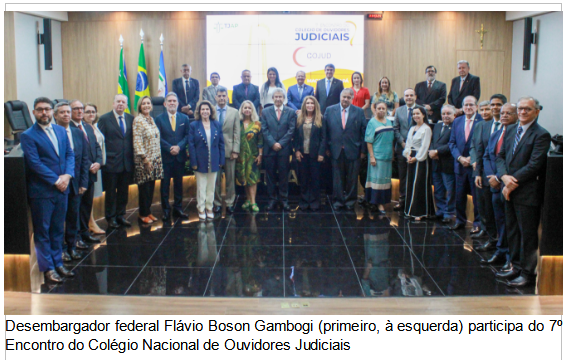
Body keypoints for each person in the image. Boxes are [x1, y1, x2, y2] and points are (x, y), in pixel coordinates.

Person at [495, 97, 550, 287]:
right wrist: (503, 178)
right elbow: (500, 157)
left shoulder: (541, 134)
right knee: (512, 232)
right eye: (520, 109)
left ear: (537, 111)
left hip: (526, 193)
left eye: (527, 109)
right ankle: (515, 267)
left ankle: (528, 274)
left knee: (527, 235)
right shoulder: (510, 130)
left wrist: (511, 182)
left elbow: (534, 165)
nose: (523, 112)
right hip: (508, 190)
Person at [20, 97, 75, 283]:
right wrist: (55, 180)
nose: (44, 113)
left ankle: (58, 263)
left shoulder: (60, 130)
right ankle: (48, 269)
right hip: (42, 192)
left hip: (62, 189)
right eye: (40, 109)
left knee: (58, 229)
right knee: (43, 232)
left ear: (52, 111)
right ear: (34, 113)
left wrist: (67, 176)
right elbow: (34, 163)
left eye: (47, 109)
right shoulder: (28, 135)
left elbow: (69, 154)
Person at [481, 103, 518, 268]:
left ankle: (511, 257)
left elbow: (511, 161)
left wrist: (498, 177)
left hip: (508, 185)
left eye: (508, 113)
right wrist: (491, 177)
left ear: (516, 115)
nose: (503, 116)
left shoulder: (517, 135)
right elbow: (487, 156)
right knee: (499, 220)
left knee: (511, 224)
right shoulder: (496, 134)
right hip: (494, 184)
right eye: (502, 113)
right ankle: (500, 251)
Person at [470, 95, 507, 245]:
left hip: (501, 176)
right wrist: (477, 172)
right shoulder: (483, 125)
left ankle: (497, 240)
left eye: (498, 105)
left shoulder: (508, 127)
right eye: (492, 105)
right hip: (483, 173)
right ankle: (489, 234)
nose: (494, 108)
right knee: (483, 207)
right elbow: (479, 150)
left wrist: (498, 176)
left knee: (496, 211)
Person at [55, 102, 89, 262]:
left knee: (73, 216)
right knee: (59, 220)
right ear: (55, 116)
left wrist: (83, 182)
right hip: (58, 183)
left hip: (76, 183)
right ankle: (61, 250)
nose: (66, 115)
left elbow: (84, 159)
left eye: (68, 112)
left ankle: (72, 246)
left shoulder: (77, 132)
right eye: (62, 112)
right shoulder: (53, 132)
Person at [325, 88, 367, 210]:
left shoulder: (359, 112)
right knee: (337, 178)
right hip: (335, 150)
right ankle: (338, 201)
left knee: (352, 178)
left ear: (352, 98)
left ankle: (350, 201)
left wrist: (363, 151)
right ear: (340, 96)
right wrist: (327, 148)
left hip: (354, 150)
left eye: (349, 97)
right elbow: (325, 132)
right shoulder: (330, 110)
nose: (346, 99)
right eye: (344, 97)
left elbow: (363, 132)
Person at [97, 94, 134, 229]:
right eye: (118, 101)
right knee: (111, 192)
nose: (120, 104)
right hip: (111, 163)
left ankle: (121, 215)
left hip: (127, 162)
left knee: (124, 191)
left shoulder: (131, 118)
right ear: (113, 104)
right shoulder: (105, 119)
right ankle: (111, 218)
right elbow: (100, 142)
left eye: (123, 102)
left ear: (126, 105)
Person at [69, 100, 103, 243]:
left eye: (81, 108)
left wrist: (98, 163)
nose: (79, 111)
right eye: (75, 108)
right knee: (76, 208)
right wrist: (89, 164)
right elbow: (75, 152)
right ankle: (75, 237)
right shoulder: (67, 128)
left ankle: (84, 232)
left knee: (86, 205)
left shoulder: (88, 127)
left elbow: (96, 147)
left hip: (92, 173)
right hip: (79, 174)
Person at [448, 95, 482, 232]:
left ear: (476, 107)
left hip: (476, 167)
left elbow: (484, 145)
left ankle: (478, 223)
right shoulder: (457, 121)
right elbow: (452, 143)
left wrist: (472, 159)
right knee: (459, 195)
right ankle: (460, 220)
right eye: (466, 105)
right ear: (462, 107)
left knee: (477, 198)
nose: (468, 107)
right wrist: (460, 158)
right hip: (460, 165)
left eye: (471, 105)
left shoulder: (482, 121)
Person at [155, 92, 190, 221]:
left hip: (179, 157)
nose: (172, 103)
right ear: (165, 104)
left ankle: (178, 208)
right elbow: (158, 137)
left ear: (178, 103)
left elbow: (187, 136)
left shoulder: (184, 118)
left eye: (174, 101)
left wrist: (179, 147)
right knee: (164, 185)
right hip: (166, 157)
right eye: (169, 101)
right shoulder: (158, 118)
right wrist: (170, 148)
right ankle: (165, 210)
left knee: (179, 184)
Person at [260, 88, 297, 211]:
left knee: (283, 176)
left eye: (280, 97)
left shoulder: (291, 112)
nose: (278, 99)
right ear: (272, 98)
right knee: (270, 176)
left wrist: (280, 144)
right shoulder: (265, 112)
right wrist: (273, 144)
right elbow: (264, 130)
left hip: (284, 150)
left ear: (284, 98)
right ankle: (271, 200)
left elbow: (291, 130)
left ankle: (284, 200)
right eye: (276, 97)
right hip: (269, 150)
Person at [189, 100, 225, 220]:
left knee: (211, 187)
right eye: (202, 109)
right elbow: (191, 145)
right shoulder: (194, 125)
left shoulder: (216, 124)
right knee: (201, 186)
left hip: (214, 160)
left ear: (211, 111)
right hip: (200, 161)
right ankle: (201, 208)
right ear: (199, 111)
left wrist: (221, 160)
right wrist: (193, 162)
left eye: (207, 109)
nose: (205, 111)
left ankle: (209, 207)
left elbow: (221, 144)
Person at [133, 96, 164, 224]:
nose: (146, 105)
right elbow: (137, 141)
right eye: (144, 103)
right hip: (144, 161)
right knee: (144, 188)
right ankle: (142, 213)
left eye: (148, 103)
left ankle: (148, 211)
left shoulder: (151, 119)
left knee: (151, 187)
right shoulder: (138, 120)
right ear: (140, 106)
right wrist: (145, 159)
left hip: (155, 159)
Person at [315, 64, 343, 197]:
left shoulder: (339, 83)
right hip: (320, 116)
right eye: (327, 70)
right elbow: (316, 99)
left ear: (334, 71)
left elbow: (341, 99)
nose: (329, 72)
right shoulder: (319, 83)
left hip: (334, 116)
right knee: (322, 138)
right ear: (324, 71)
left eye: (331, 70)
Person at [294, 96, 326, 211]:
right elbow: (296, 137)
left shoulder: (320, 119)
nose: (310, 105)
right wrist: (296, 150)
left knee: (315, 179)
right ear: (304, 105)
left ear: (315, 105)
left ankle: (314, 201)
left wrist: (321, 153)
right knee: (303, 179)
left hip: (315, 155)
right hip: (302, 154)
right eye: (308, 103)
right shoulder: (299, 119)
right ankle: (304, 201)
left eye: (312, 103)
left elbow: (323, 138)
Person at [393, 88, 422, 211]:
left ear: (415, 96)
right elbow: (395, 128)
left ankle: (414, 201)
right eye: (406, 95)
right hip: (402, 148)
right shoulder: (399, 110)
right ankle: (402, 200)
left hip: (417, 149)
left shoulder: (420, 110)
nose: (409, 97)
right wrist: (402, 143)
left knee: (415, 175)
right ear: (404, 97)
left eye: (411, 95)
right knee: (403, 175)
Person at [213, 87, 241, 214]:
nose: (222, 98)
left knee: (230, 179)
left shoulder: (234, 112)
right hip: (214, 150)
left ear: (227, 97)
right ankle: (217, 203)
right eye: (219, 96)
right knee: (216, 180)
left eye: (224, 96)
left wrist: (236, 150)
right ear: (215, 97)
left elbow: (237, 132)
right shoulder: (210, 110)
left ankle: (230, 202)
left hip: (230, 150)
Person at [403, 107, 434, 220]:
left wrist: (416, 158)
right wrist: (407, 155)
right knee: (411, 183)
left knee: (419, 184)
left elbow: (425, 146)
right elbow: (408, 144)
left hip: (421, 159)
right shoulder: (412, 128)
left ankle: (420, 213)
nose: (415, 115)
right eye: (414, 114)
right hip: (410, 157)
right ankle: (410, 210)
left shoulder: (427, 129)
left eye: (418, 113)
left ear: (423, 115)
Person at [364, 101, 394, 213]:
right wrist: (372, 156)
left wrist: (393, 153)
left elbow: (391, 139)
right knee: (377, 180)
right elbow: (369, 141)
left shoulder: (389, 122)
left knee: (385, 180)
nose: (381, 110)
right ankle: (377, 203)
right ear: (375, 110)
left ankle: (383, 202)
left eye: (383, 108)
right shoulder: (372, 122)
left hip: (387, 157)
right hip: (377, 156)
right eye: (379, 108)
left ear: (386, 110)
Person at [429, 105, 456, 223]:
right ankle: (440, 211)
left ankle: (449, 213)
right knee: (438, 189)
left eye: (448, 113)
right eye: (443, 113)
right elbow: (433, 141)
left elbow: (452, 144)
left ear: (454, 115)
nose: (446, 116)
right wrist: (431, 150)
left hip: (448, 163)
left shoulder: (456, 127)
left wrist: (437, 151)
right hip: (435, 163)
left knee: (450, 189)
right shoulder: (438, 125)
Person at [235, 100, 263, 212]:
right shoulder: (238, 123)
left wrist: (260, 154)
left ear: (253, 110)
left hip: (253, 156)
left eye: (249, 108)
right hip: (240, 156)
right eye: (245, 108)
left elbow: (260, 141)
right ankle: (247, 199)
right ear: (242, 110)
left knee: (252, 179)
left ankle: (253, 202)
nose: (247, 110)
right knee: (244, 178)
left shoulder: (257, 124)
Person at [83, 103, 106, 235]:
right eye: (87, 112)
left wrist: (99, 163)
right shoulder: (82, 129)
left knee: (92, 197)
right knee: (88, 198)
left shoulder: (95, 127)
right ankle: (90, 222)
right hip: (89, 168)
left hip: (98, 166)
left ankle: (90, 220)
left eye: (93, 112)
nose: (91, 114)